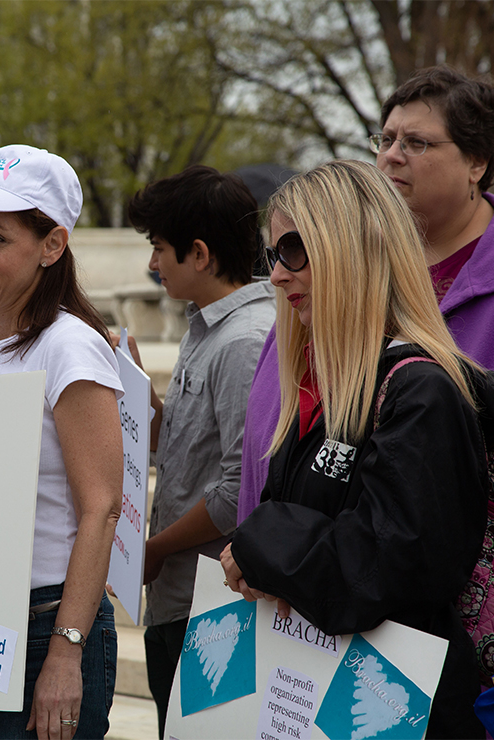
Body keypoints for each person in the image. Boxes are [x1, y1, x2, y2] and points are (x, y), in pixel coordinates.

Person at [237, 66, 494, 549]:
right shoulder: (328, 277)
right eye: (385, 139)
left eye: (416, 143)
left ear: (477, 162)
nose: (391, 156)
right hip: (289, 603)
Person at [222, 160, 494, 738]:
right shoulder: (327, 384)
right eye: (272, 256)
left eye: (294, 250)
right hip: (314, 694)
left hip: (395, 706)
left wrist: (256, 543)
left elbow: (382, 575)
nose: (277, 275)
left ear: (356, 249)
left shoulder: (422, 392)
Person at [0, 145, 123, 739]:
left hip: (45, 623)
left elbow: (102, 507)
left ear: (52, 245)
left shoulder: (70, 347)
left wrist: (65, 653)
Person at [123, 165, 275, 737]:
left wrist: (155, 549)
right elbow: (187, 448)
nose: (153, 264)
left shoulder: (244, 340)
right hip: (180, 602)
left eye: (160, 248)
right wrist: (141, 399)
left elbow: (240, 490)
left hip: (211, 607)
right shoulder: (205, 327)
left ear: (201, 254)